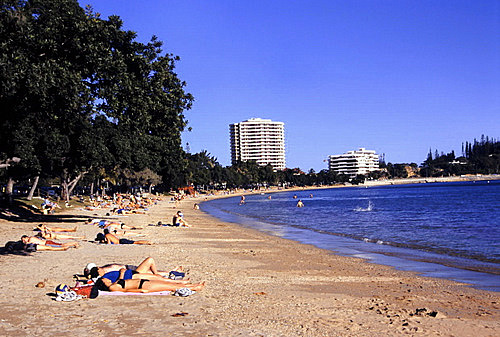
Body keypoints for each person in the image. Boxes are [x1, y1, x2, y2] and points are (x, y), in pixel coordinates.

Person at [95, 268, 205, 293]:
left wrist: (122, 274)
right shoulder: (112, 287)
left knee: (165, 283)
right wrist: (141, 291)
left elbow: (120, 281)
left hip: (144, 282)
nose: (106, 279)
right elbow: (126, 291)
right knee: (170, 287)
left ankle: (192, 285)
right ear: (103, 283)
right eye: (104, 280)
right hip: (144, 286)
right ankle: (195, 288)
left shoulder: (113, 284)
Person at [84, 257, 182, 279]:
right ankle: (170, 272)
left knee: (150, 272)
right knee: (151, 270)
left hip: (129, 269)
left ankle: (170, 272)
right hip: (130, 272)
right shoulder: (104, 274)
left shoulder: (104, 268)